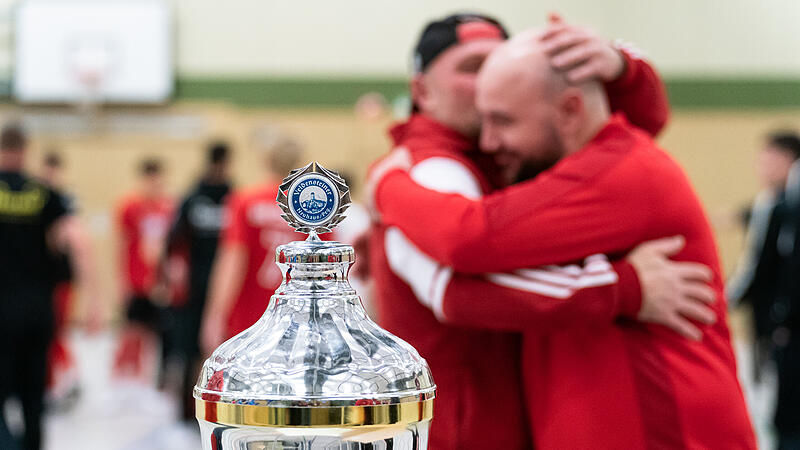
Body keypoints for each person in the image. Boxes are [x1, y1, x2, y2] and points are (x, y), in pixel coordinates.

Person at [370, 28, 756, 448]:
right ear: (421, 89)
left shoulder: (618, 170)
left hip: (659, 428)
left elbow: (469, 237)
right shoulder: (519, 164)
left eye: (503, 120)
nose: (490, 139)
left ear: (568, 109)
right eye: (470, 69)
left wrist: (388, 183)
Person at [0, 124, 97, 450]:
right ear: (25, 150)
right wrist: (94, 302)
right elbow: (76, 243)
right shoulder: (45, 193)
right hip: (37, 309)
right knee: (33, 397)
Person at [200, 134, 305, 356]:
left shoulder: (245, 201)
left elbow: (233, 260)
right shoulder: (309, 210)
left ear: (266, 160)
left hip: (250, 319)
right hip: (297, 320)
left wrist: (215, 314)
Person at [161, 141, 233, 420]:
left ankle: (218, 404)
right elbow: (173, 241)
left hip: (222, 284)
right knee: (190, 349)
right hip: (192, 287)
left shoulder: (232, 197)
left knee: (219, 348)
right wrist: (170, 279)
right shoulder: (193, 197)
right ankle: (186, 409)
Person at [727, 132, 800, 383]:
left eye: (769, 160)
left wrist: (728, 297)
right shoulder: (772, 203)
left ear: (789, 160)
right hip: (775, 311)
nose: (761, 168)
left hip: (778, 312)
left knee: (773, 387)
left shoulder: (775, 204)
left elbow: (757, 262)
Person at [113, 158, 174, 383]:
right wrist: (122, 284)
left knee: (156, 335)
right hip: (136, 281)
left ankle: (147, 381)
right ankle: (121, 377)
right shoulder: (130, 207)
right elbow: (122, 246)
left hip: (158, 284)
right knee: (131, 332)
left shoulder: (168, 208)